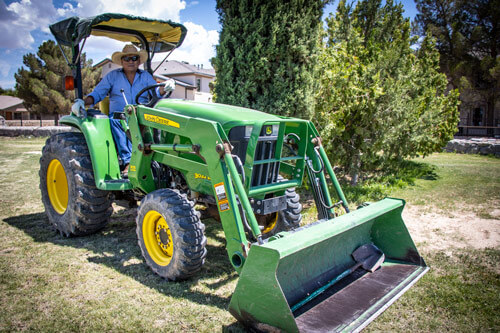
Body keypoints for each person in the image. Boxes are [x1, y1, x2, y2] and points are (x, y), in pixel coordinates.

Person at [75, 44, 173, 177]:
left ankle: (163, 162)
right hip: (119, 116)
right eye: (127, 59)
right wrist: (82, 102)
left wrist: (165, 87)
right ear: (122, 61)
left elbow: (156, 90)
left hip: (141, 115)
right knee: (116, 120)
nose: (131, 61)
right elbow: (98, 94)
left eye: (134, 58)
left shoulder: (145, 76)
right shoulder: (112, 76)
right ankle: (129, 161)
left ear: (139, 61)